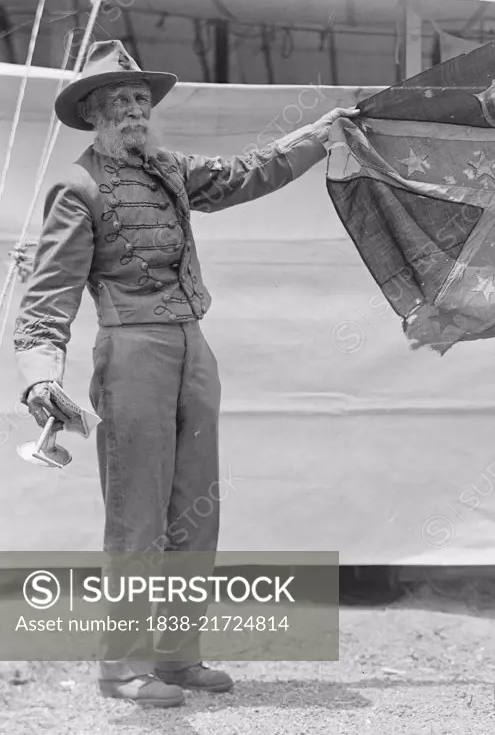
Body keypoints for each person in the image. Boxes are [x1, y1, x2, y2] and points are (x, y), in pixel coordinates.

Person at [12, 39, 358, 707]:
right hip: (130, 352)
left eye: (142, 99)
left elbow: (246, 172)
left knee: (196, 511)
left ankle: (177, 654)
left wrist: (320, 135)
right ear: (94, 113)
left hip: (193, 351)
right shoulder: (76, 187)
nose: (137, 110)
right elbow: (47, 298)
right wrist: (38, 374)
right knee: (136, 516)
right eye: (122, 101)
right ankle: (122, 666)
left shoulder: (169, 168)